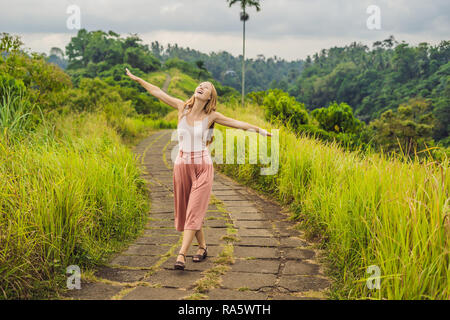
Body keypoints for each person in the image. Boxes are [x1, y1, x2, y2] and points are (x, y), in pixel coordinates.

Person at [125, 68, 272, 270]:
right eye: (200, 85)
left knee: (194, 211)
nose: (201, 87)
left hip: (202, 167)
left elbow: (236, 123)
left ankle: (181, 254)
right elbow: (158, 92)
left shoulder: (211, 115)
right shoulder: (181, 108)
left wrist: (261, 131)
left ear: (211, 97)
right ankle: (202, 247)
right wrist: (138, 79)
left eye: (206, 87)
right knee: (188, 212)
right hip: (181, 166)